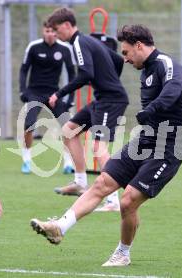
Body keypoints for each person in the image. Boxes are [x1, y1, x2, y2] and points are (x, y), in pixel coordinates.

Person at [30, 24, 182, 266]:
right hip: (145, 141)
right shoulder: (145, 71)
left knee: (128, 200)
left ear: (139, 45)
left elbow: (174, 89)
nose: (124, 59)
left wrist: (153, 110)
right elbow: (181, 99)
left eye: (126, 53)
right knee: (102, 182)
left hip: (169, 147)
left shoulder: (167, 64)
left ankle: (122, 254)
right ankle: (59, 227)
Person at [47, 7, 129, 212]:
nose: (56, 35)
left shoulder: (79, 43)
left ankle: (113, 201)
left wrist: (59, 93)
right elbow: (118, 60)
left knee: (98, 148)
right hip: (103, 98)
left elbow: (85, 74)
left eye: (57, 31)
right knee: (69, 131)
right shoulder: (87, 41)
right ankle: (81, 183)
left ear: (67, 25)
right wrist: (108, 80)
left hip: (111, 100)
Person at [19, 21, 76, 175]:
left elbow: (72, 74)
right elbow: (24, 70)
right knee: (29, 124)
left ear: (56, 32)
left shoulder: (65, 49)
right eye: (47, 31)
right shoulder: (33, 47)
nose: (50, 34)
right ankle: (26, 161)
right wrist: (22, 91)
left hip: (54, 94)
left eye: (53, 31)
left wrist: (70, 97)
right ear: (43, 31)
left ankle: (68, 163)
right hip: (35, 92)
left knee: (68, 127)